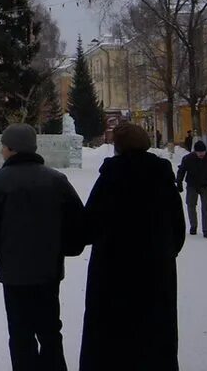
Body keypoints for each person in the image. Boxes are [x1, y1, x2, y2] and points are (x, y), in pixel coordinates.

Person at [0, 124, 85, 371]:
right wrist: (65, 247)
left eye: (3, 145)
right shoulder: (56, 180)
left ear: (11, 148)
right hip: (49, 271)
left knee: (20, 333)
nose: (1, 149)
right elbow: (79, 221)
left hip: (14, 274)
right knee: (50, 331)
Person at [79, 123, 185, 371]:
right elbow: (177, 229)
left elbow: (88, 226)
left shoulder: (110, 180)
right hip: (156, 273)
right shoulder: (163, 179)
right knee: (155, 335)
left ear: (117, 147)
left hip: (112, 275)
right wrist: (164, 252)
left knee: (110, 339)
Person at [176, 140, 207, 238]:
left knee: (206, 208)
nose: (201, 154)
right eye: (199, 152)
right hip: (192, 185)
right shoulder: (188, 158)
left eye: (203, 152)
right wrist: (179, 182)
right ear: (195, 152)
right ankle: (193, 226)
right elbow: (181, 170)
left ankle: (206, 230)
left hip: (206, 185)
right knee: (191, 205)